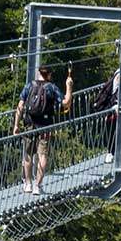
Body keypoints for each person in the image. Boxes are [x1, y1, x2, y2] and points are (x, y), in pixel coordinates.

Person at [12, 66, 73, 194]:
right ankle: (37, 186)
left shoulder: (29, 85)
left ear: (39, 73)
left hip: (29, 123)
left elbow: (20, 105)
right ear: (49, 75)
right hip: (45, 125)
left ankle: (27, 184)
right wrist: (69, 86)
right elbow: (66, 103)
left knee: (28, 154)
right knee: (42, 155)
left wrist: (16, 125)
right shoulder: (51, 87)